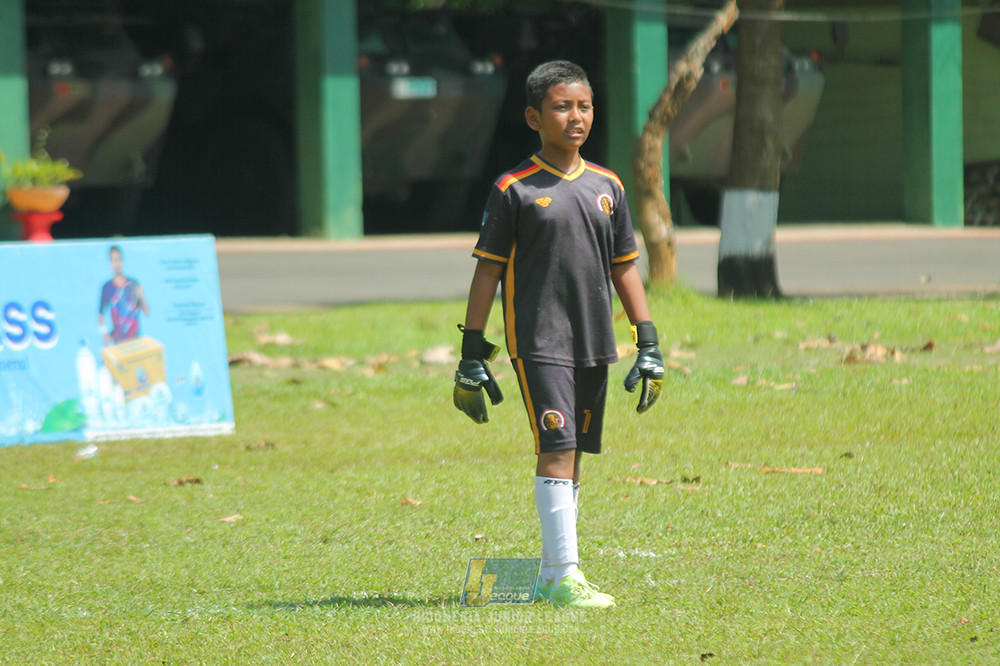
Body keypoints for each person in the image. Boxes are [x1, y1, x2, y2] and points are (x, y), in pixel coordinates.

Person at [453, 60, 664, 608]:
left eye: (584, 106)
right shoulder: (513, 189)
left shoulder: (608, 185)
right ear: (533, 116)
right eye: (562, 107)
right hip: (538, 342)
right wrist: (471, 351)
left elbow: (624, 266)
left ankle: (553, 572)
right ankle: (565, 575)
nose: (576, 117)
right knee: (557, 445)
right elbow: (487, 271)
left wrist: (648, 341)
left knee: (575, 456)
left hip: (595, 341)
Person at [98, 245, 149, 345]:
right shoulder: (107, 287)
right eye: (114, 260)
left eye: (119, 259)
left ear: (123, 261)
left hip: (137, 340)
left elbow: (146, 312)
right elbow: (100, 314)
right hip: (119, 342)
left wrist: (142, 295)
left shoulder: (134, 283)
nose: (117, 263)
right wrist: (104, 333)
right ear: (110, 263)